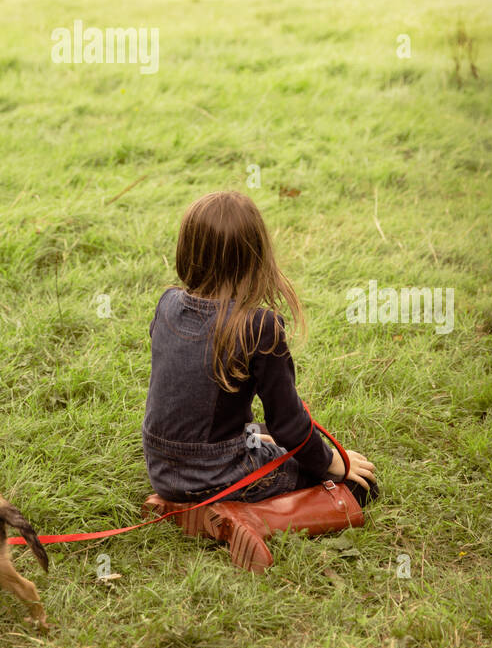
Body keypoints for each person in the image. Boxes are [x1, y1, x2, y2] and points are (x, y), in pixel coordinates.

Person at [142, 191, 377, 507]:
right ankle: (242, 517)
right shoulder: (259, 326)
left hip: (162, 467)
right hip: (219, 472)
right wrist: (330, 463)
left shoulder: (166, 304)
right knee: (358, 486)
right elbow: (289, 425)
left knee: (263, 432)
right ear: (255, 256)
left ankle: (189, 501)